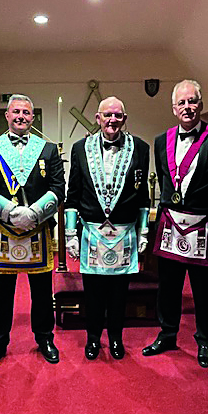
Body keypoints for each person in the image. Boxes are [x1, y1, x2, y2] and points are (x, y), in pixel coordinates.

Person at [142, 80, 208, 367]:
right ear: (173, 108)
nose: (187, 107)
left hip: (203, 222)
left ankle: (205, 340)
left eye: (192, 101)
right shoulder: (161, 140)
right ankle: (167, 334)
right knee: (167, 286)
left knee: (204, 289)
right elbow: (165, 179)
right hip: (171, 221)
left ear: (201, 105)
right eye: (181, 103)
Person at [0, 94, 65, 369]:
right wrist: (11, 213)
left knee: (41, 293)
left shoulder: (48, 149)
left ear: (33, 117)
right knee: (0, 295)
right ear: (7, 115)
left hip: (38, 230)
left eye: (26, 112)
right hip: (3, 230)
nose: (21, 116)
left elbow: (59, 189)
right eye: (16, 112)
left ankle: (45, 339)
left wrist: (34, 213)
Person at [65, 96, 150, 360]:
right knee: (93, 293)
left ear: (124, 119)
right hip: (91, 232)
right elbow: (73, 195)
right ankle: (93, 339)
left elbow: (143, 194)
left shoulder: (141, 148)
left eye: (118, 115)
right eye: (107, 115)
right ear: (98, 118)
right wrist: (70, 235)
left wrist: (144, 231)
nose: (112, 120)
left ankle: (115, 338)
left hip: (124, 232)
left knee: (119, 293)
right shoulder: (80, 148)